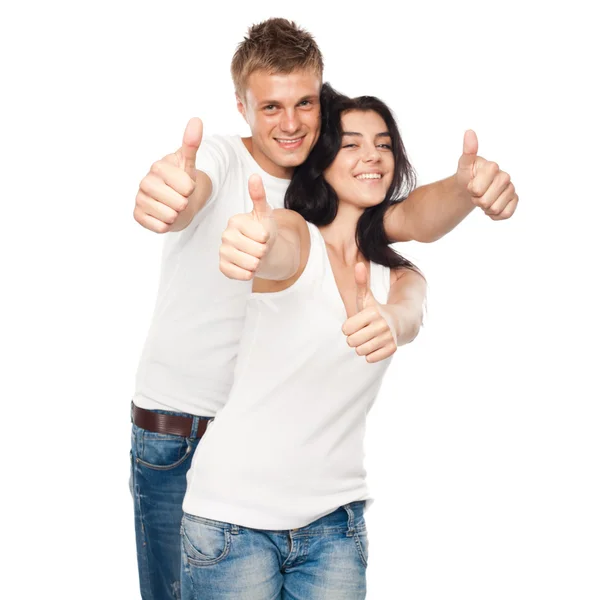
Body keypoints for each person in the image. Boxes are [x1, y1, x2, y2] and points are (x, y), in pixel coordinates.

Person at [130, 18, 518, 600]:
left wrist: (467, 188)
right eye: (271, 107)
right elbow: (199, 195)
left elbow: (413, 218)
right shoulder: (222, 161)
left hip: (294, 478)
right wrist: (174, 198)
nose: (291, 123)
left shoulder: (339, 208)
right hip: (178, 426)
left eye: (305, 103)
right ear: (242, 108)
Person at [179, 83, 426, 599]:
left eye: (383, 144)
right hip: (231, 522)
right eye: (352, 143)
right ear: (323, 158)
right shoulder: (295, 231)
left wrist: (392, 324)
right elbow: (275, 244)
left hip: (335, 527)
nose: (372, 156)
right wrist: (252, 240)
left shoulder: (398, 275)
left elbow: (408, 311)